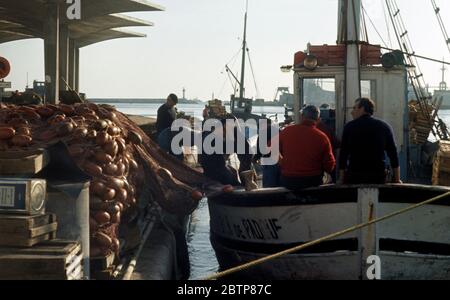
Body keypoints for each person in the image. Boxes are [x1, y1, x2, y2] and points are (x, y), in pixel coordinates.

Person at [338, 98, 402, 184]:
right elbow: (393, 154)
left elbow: (343, 155)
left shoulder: (349, 127)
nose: (352, 112)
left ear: (362, 109)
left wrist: (341, 179)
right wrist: (397, 179)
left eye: (354, 108)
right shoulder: (385, 127)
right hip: (378, 177)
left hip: (355, 177)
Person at [278, 105, 336, 191]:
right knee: (329, 178)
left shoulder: (286, 131)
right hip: (312, 180)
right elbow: (330, 165)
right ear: (318, 119)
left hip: (288, 180)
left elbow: (271, 147)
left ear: (302, 116)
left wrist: (282, 162)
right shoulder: (322, 137)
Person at [198, 118, 255, 188]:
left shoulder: (207, 135)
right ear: (225, 126)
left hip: (211, 173)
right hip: (217, 175)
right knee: (239, 185)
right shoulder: (213, 139)